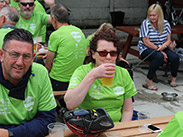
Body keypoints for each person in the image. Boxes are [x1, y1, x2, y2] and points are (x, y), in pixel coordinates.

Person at [64, 31, 137, 123]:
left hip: (115, 126)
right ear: (93, 54)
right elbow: (70, 104)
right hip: (89, 125)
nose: (108, 57)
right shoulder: (82, 72)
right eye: (103, 53)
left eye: (113, 53)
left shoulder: (123, 73)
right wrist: (92, 75)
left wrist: (122, 130)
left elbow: (127, 110)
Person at [0, 29, 56, 137]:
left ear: (33, 58)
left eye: (26, 56)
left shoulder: (40, 73)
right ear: (1, 55)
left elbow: (47, 120)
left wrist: (10, 133)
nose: (20, 62)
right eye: (14, 54)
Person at [45, 4, 86, 108]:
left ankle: (58, 108)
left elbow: (48, 64)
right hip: (76, 78)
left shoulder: (56, 35)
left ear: (53, 19)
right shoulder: (79, 31)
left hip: (59, 81)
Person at [137, 3, 179, 90]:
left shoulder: (166, 24)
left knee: (175, 57)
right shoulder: (146, 23)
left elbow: (168, 40)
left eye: (154, 15)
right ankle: (149, 79)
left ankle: (173, 78)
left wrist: (163, 47)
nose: (152, 17)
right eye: (150, 15)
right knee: (159, 56)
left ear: (159, 15)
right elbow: (146, 41)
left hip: (163, 47)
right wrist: (159, 51)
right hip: (147, 48)